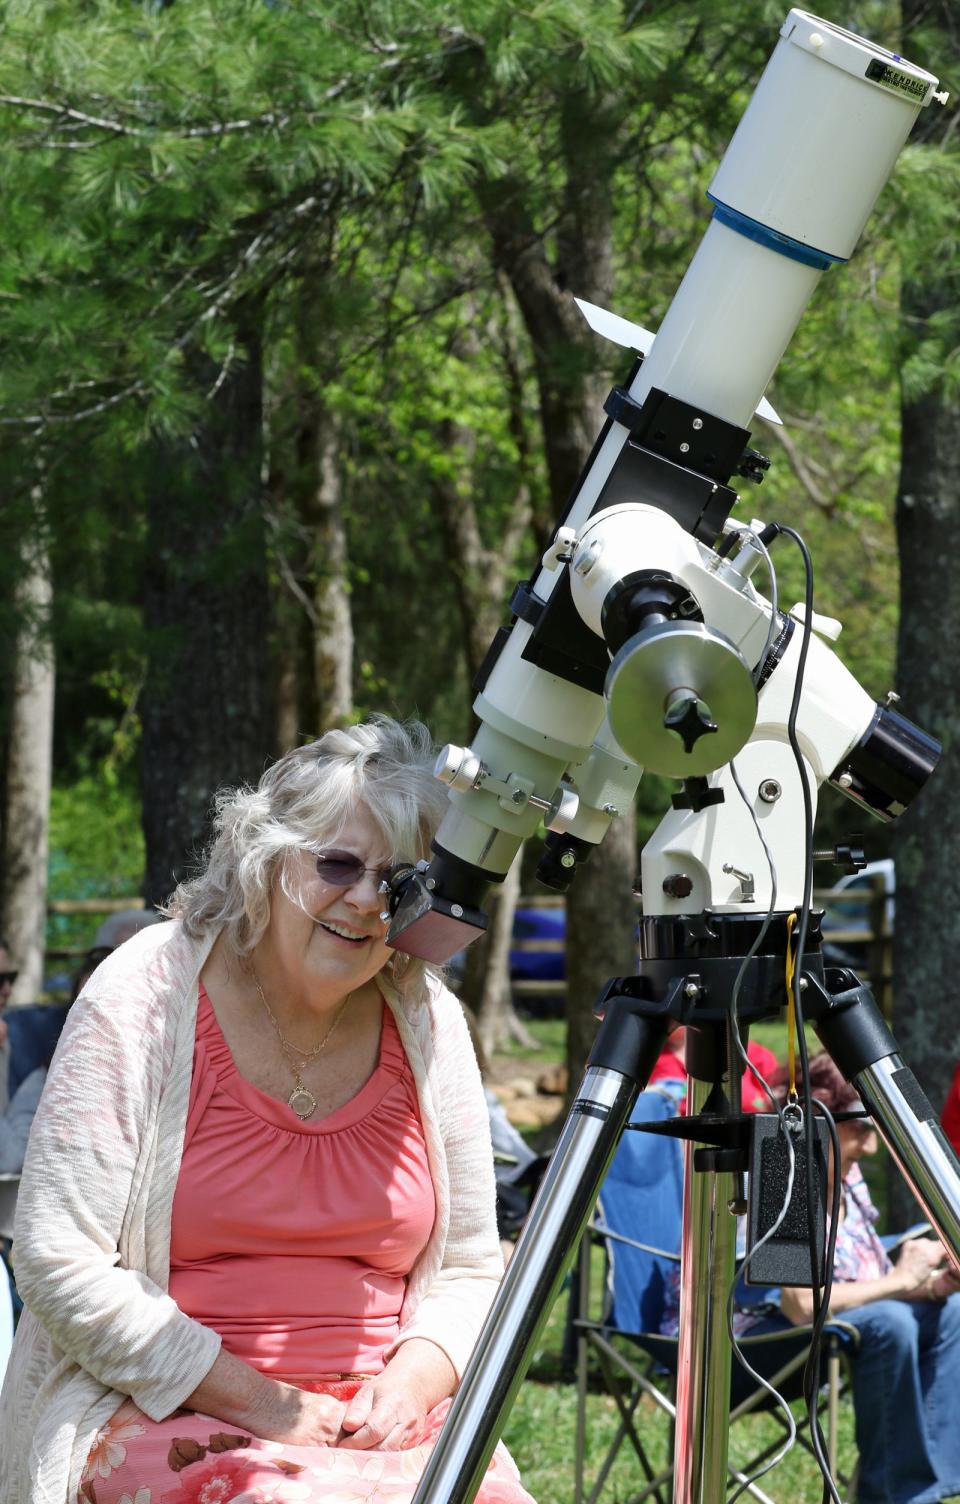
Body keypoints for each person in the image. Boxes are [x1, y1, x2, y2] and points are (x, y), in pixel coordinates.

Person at [0, 717, 535, 1504]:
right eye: (338, 864)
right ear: (267, 857)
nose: (362, 900)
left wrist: (412, 1387)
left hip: (380, 1419)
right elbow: (55, 1260)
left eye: (396, 881)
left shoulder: (427, 1017)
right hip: (166, 1403)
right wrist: (262, 1403)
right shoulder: (143, 993)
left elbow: (468, 1266)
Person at [774, 1054, 960, 1504]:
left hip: (848, 1321)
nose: (871, 1147)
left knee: (953, 1309)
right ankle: (895, 1495)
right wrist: (899, 1283)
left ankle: (935, 1486)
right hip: (762, 1341)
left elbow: (860, 1281)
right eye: (862, 1129)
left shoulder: (846, 1174)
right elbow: (798, 1304)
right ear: (819, 1117)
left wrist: (928, 1285)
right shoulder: (786, 1176)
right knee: (892, 1320)